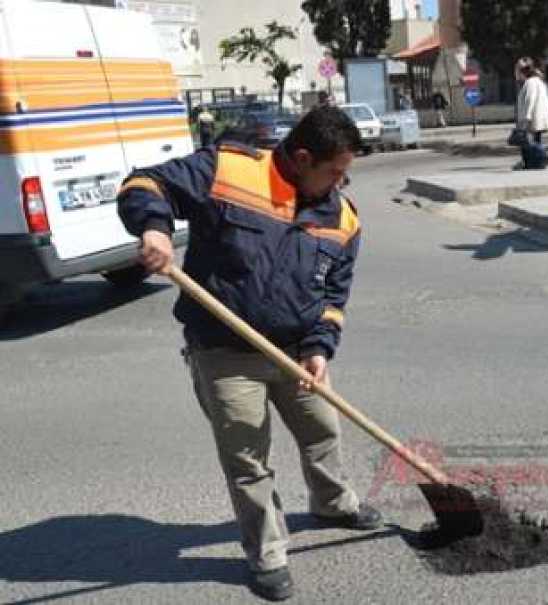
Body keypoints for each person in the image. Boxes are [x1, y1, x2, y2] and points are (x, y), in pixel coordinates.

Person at [116, 106, 382, 602]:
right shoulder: (228, 170)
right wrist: (153, 228)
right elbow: (144, 184)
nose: (341, 183)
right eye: (334, 172)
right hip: (226, 354)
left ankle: (333, 502)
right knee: (247, 459)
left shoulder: (342, 218)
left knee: (322, 430)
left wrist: (320, 348)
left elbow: (334, 296)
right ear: (302, 158)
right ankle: (267, 552)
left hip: (297, 354)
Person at [515, 58, 548, 169]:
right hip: (539, 118)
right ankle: (536, 162)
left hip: (533, 119)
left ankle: (539, 160)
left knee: (527, 142)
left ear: (523, 72)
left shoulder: (530, 83)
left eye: (518, 71)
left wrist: (526, 118)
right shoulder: (539, 82)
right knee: (535, 141)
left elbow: (530, 101)